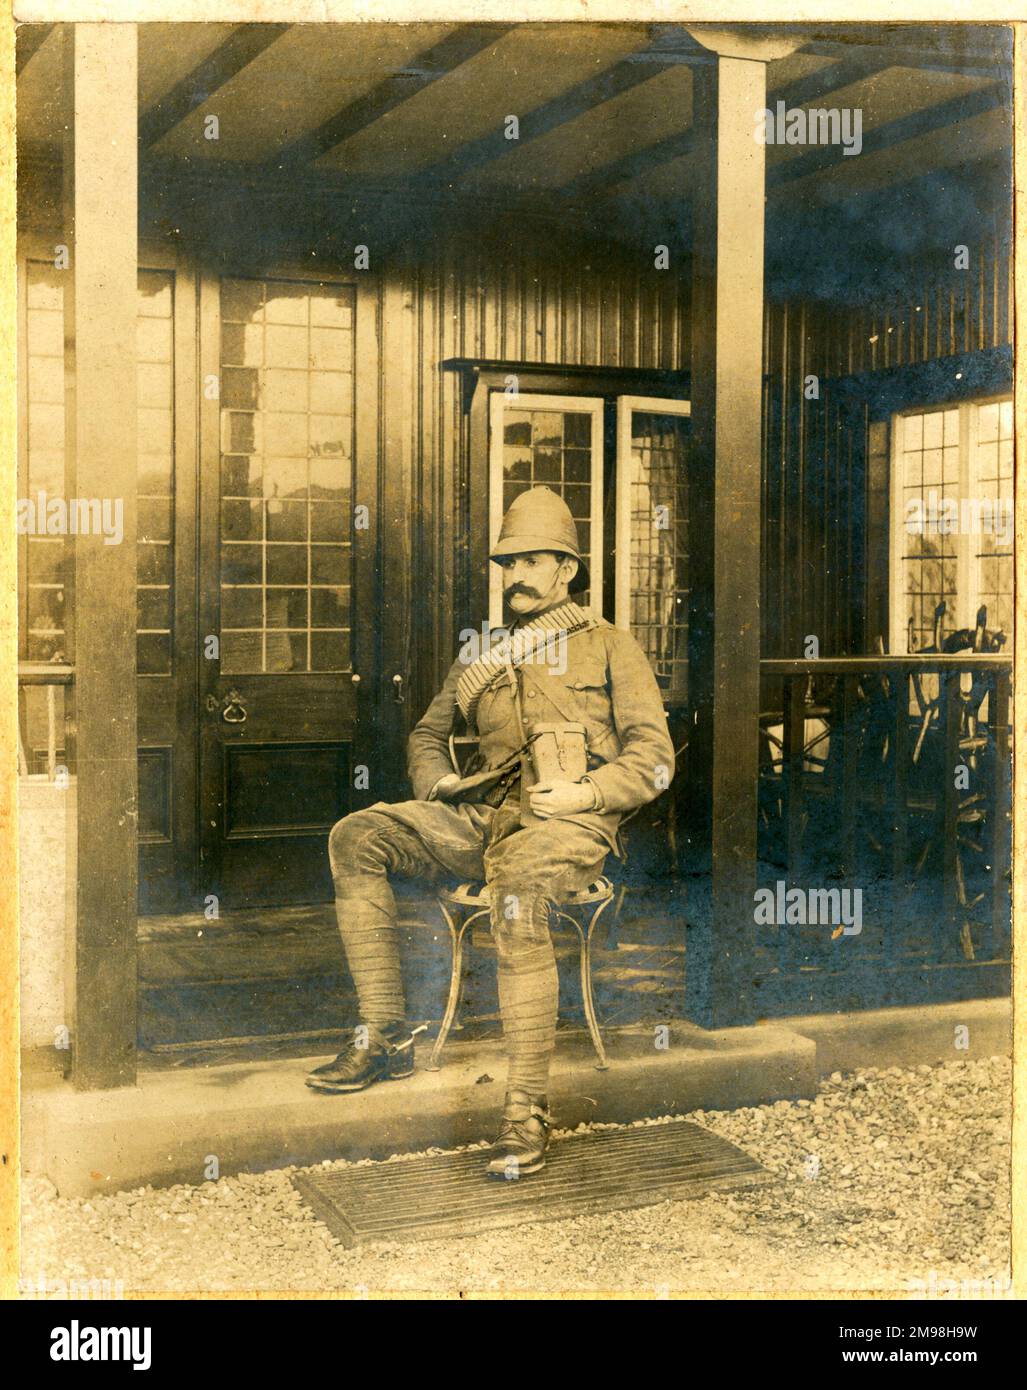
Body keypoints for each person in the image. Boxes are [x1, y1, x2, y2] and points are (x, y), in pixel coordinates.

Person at [308, 486, 674, 1177]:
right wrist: (438, 783)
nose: (515, 577)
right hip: (481, 820)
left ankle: (525, 1109)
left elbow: (653, 762)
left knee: (517, 892)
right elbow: (426, 734)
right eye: (507, 565)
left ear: (567, 568)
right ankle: (382, 1033)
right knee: (356, 835)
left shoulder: (610, 648)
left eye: (531, 561)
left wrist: (588, 791)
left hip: (565, 827)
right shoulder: (484, 654)